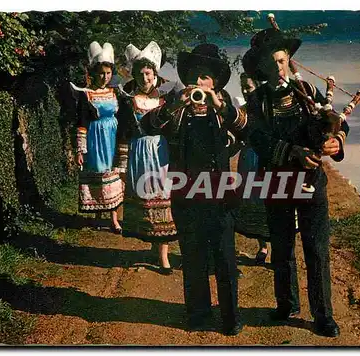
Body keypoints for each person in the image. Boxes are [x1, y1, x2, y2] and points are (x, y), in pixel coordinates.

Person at [242, 28, 349, 337]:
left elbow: (340, 122)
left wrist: (336, 142)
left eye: (282, 60)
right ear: (260, 67)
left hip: (312, 182)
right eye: (271, 63)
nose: (278, 68)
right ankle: (287, 304)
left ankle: (323, 315)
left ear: (288, 60)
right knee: (283, 246)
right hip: (276, 182)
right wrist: (292, 151)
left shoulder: (306, 90)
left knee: (316, 248)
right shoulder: (257, 100)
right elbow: (257, 139)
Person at [142, 44, 247, 336]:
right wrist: (176, 104)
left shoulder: (223, 106)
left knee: (225, 259)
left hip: (220, 196)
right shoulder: (177, 106)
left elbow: (248, 131)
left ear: (215, 82)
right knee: (193, 258)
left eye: (206, 78)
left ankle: (230, 317)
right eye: (196, 77)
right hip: (186, 197)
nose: (200, 83)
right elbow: (146, 126)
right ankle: (199, 315)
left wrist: (221, 107)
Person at [115, 41, 177, 275]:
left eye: (148, 73)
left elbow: (173, 129)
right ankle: (154, 243)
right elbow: (123, 133)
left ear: (155, 74)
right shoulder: (128, 100)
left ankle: (164, 257)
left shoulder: (165, 99)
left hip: (160, 152)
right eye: (140, 74)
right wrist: (121, 164)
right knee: (145, 199)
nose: (145, 78)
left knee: (164, 198)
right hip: (139, 153)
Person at [72, 41, 124, 232]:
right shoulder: (86, 95)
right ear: (94, 73)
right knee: (97, 173)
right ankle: (97, 214)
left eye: (108, 73)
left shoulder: (115, 92)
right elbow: (82, 122)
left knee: (113, 174)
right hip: (95, 139)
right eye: (101, 73)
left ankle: (114, 219)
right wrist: (80, 149)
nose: (105, 77)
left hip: (113, 138)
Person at [232, 73, 270, 266]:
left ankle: (277, 248)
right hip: (248, 161)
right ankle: (262, 246)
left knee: (270, 201)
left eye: (249, 87)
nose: (245, 91)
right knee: (253, 201)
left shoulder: (268, 108)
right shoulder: (242, 111)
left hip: (268, 160)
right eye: (243, 87)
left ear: (258, 86)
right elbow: (235, 137)